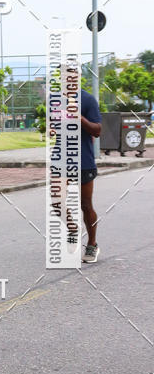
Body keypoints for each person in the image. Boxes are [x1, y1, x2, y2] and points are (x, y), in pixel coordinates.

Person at [80, 86, 102, 263]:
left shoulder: (87, 100)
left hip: (83, 160)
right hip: (61, 160)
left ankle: (92, 244)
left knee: (86, 205)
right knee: (57, 202)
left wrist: (79, 118)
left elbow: (97, 130)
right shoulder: (55, 100)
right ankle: (73, 230)